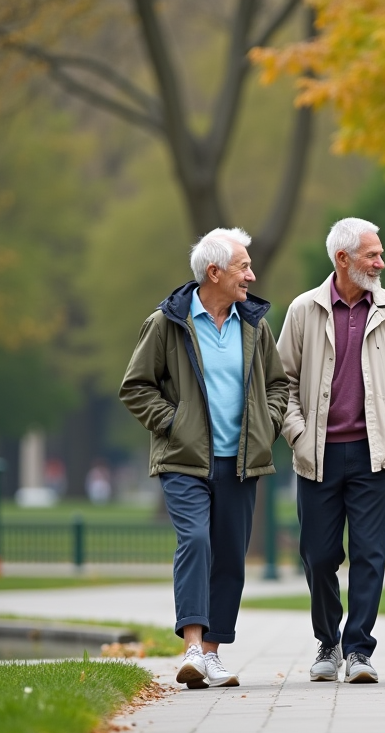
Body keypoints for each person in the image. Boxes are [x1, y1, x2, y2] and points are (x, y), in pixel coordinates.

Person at [120, 227, 288, 690]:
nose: (251, 275)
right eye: (243, 267)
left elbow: (278, 385)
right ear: (213, 272)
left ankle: (211, 656)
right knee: (196, 540)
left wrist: (267, 423)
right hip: (184, 460)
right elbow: (135, 387)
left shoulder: (254, 324)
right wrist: (174, 424)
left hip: (240, 460)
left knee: (230, 556)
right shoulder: (166, 323)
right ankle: (192, 645)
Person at [277, 217, 385, 684]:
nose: (381, 262)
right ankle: (329, 640)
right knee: (319, 556)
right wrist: (298, 434)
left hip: (372, 453)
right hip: (317, 454)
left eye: (380, 253)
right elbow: (279, 383)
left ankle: (360, 649)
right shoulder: (303, 310)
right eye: (372, 255)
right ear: (343, 259)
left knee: (369, 554)